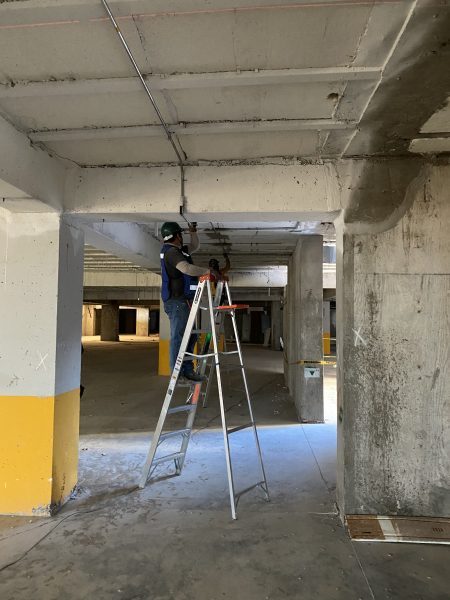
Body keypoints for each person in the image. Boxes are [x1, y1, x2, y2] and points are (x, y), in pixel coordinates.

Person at [160, 221, 214, 382]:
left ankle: (188, 370)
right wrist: (207, 272)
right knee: (179, 337)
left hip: (184, 301)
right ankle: (177, 373)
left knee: (191, 337)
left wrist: (193, 232)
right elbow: (187, 269)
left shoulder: (179, 251)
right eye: (181, 235)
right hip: (177, 302)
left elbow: (195, 246)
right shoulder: (171, 252)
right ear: (178, 236)